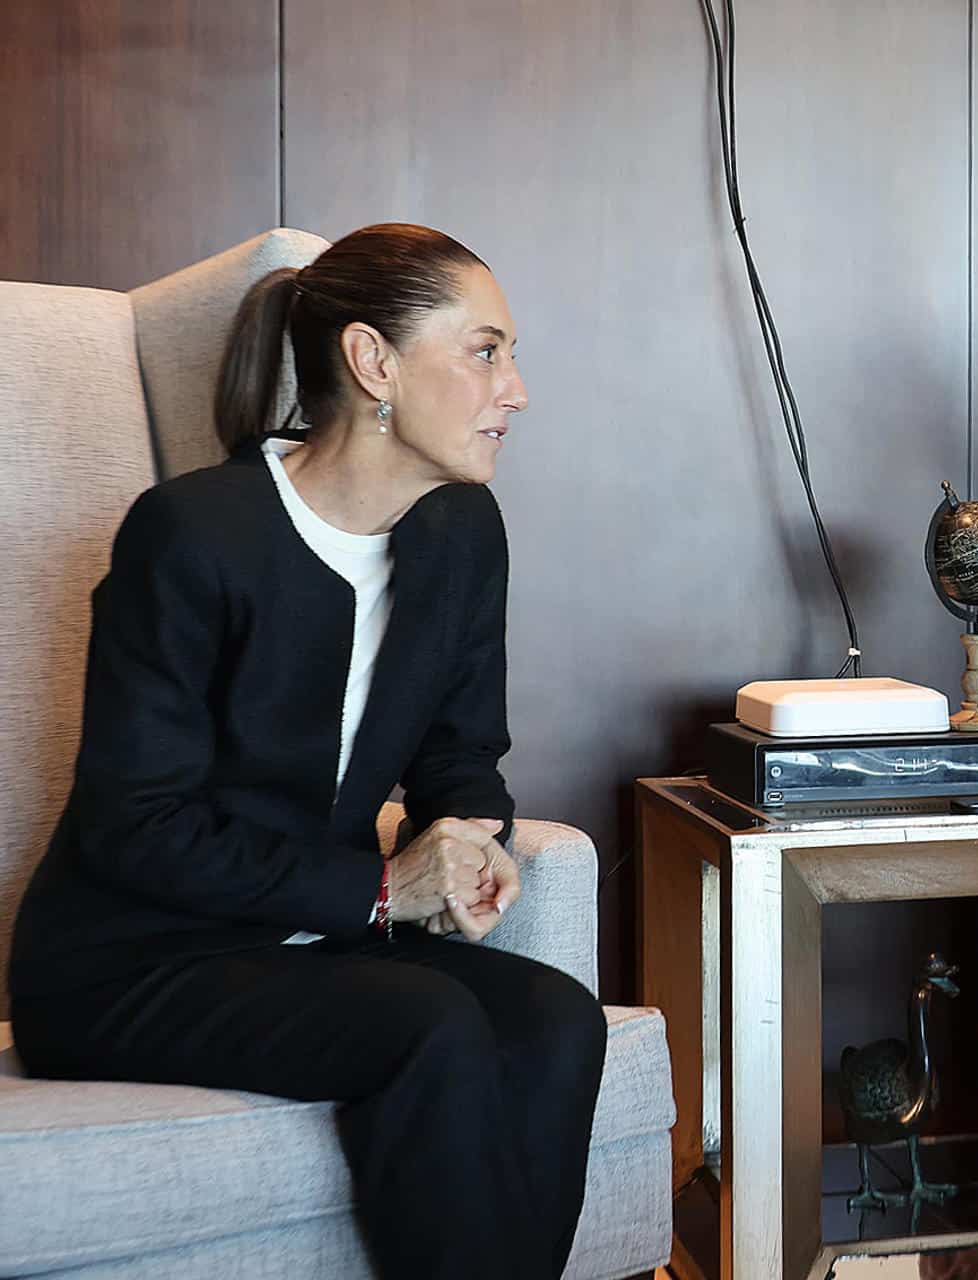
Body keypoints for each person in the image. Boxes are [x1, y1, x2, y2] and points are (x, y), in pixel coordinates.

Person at [7, 223, 605, 1280]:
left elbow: (462, 749)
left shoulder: (463, 532)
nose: (515, 389)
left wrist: (469, 836)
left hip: (302, 942)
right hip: (130, 962)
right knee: (427, 1020)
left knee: (555, 1018)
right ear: (374, 361)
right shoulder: (191, 533)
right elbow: (134, 823)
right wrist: (380, 890)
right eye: (485, 351)